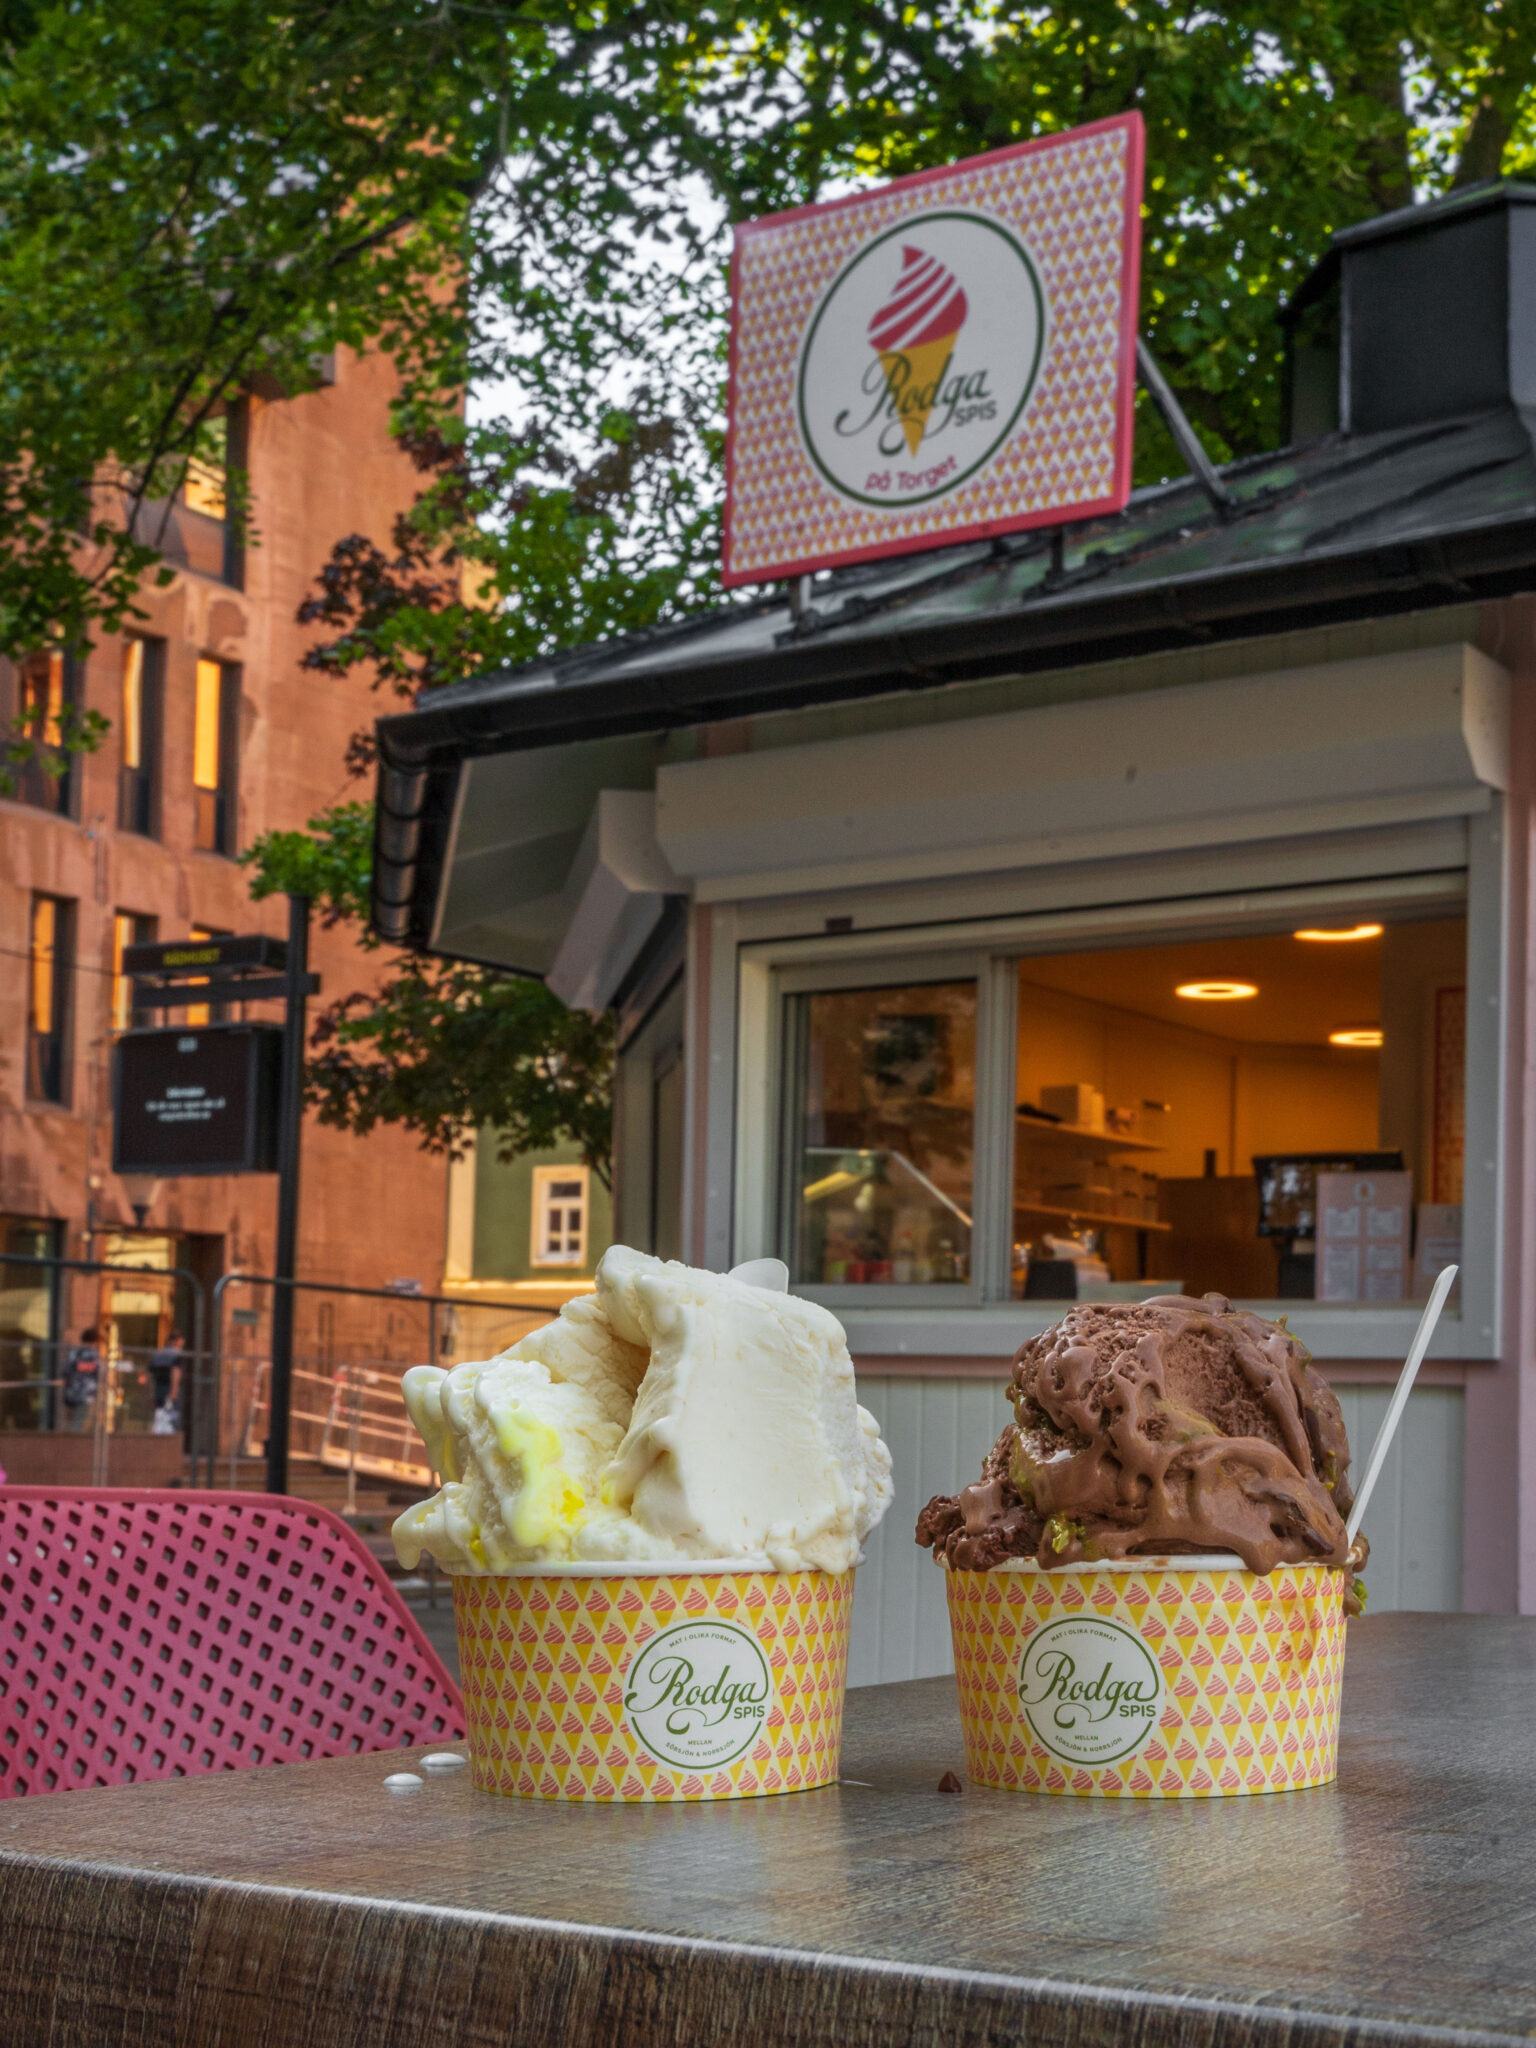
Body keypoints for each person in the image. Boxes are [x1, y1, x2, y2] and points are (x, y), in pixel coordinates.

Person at [62, 1327, 103, 1432]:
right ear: (95, 1341)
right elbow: (99, 1371)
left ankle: (66, 1437)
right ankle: (73, 1440)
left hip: (71, 1389)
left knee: (69, 1417)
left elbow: (66, 1369)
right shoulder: (93, 1353)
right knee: (81, 1417)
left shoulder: (74, 1351)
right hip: (86, 1392)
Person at [147, 1329, 185, 1434]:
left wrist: (150, 1394)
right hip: (170, 1390)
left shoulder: (157, 1355)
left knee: (159, 1418)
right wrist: (174, 1391)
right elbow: (175, 1373)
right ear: (176, 1342)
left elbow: (150, 1376)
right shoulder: (176, 1354)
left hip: (158, 1390)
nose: (180, 1347)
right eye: (180, 1343)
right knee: (172, 1420)